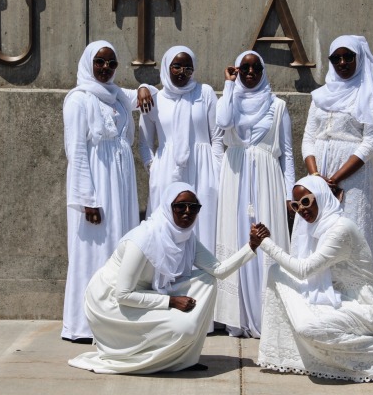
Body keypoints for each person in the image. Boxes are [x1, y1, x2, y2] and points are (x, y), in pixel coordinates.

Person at [68, 182, 260, 374]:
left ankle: (185, 360)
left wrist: (251, 246)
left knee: (207, 280)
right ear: (168, 207)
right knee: (184, 327)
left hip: (144, 292)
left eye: (194, 207)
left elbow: (218, 270)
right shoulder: (143, 238)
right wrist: (171, 301)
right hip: (109, 302)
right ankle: (155, 359)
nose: (187, 212)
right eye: (180, 206)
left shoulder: (187, 238)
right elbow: (123, 294)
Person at [253, 176, 373, 382]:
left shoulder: (340, 229)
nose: (301, 209)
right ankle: (289, 353)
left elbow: (304, 270)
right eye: (296, 205)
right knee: (277, 273)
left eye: (306, 201)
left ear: (321, 196)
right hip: (340, 298)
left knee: (307, 327)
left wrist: (265, 243)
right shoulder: (318, 227)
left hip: (369, 309)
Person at [62, 40, 142, 342]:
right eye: (100, 62)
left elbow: (152, 95)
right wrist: (87, 200)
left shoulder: (117, 96)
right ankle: (83, 325)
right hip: (96, 186)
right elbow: (77, 152)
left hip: (120, 186)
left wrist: (145, 88)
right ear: (88, 63)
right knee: (92, 252)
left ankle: (114, 322)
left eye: (111, 63)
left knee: (118, 249)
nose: (105, 68)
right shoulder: (79, 100)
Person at [214, 50, 295, 338]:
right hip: (235, 175)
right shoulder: (229, 101)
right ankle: (238, 317)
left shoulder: (279, 106)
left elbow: (286, 153)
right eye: (243, 68)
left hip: (267, 178)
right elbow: (222, 123)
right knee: (238, 239)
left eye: (255, 68)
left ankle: (268, 313)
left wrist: (289, 193)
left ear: (263, 72)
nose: (249, 73)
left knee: (266, 240)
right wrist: (228, 85)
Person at [302, 35, 373, 281]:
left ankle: (355, 302)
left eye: (348, 56)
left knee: (352, 230)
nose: (342, 62)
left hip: (352, 177)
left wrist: (336, 178)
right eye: (336, 58)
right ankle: (322, 296)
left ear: (358, 58)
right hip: (319, 174)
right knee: (319, 234)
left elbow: (370, 142)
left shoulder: (371, 95)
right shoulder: (319, 97)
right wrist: (316, 177)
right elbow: (308, 138)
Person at [138, 46, 223, 256]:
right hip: (167, 170)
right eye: (177, 66)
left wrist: (217, 170)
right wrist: (155, 168)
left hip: (203, 169)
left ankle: (203, 284)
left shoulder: (205, 93)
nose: (182, 72)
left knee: (203, 224)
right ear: (167, 67)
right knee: (167, 228)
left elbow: (217, 137)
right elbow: (144, 142)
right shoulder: (154, 98)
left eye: (188, 67)